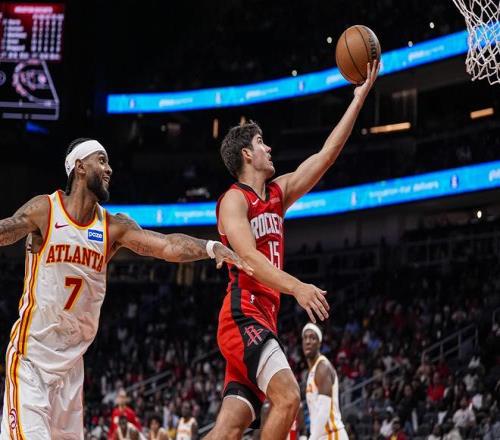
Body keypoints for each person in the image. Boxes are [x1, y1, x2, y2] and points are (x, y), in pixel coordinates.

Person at [0, 138, 251, 440]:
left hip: (72, 367)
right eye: (101, 160)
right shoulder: (46, 209)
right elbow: (8, 229)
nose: (109, 168)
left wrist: (210, 247)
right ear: (79, 167)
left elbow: (166, 246)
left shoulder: (113, 226)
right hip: (32, 359)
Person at [205, 60, 379, 440]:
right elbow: (249, 259)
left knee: (229, 428)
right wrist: (298, 287)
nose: (268, 148)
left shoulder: (277, 194)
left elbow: (326, 155)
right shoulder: (233, 200)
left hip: (264, 318)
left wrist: (358, 99)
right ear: (246, 154)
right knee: (288, 398)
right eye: (261, 143)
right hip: (242, 315)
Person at [303, 323, 348, 440]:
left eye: (312, 338)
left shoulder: (322, 367)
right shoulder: (311, 372)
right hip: (323, 435)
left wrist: (312, 438)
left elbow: (324, 409)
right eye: (305, 338)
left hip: (333, 434)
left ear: (319, 343)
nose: (308, 341)